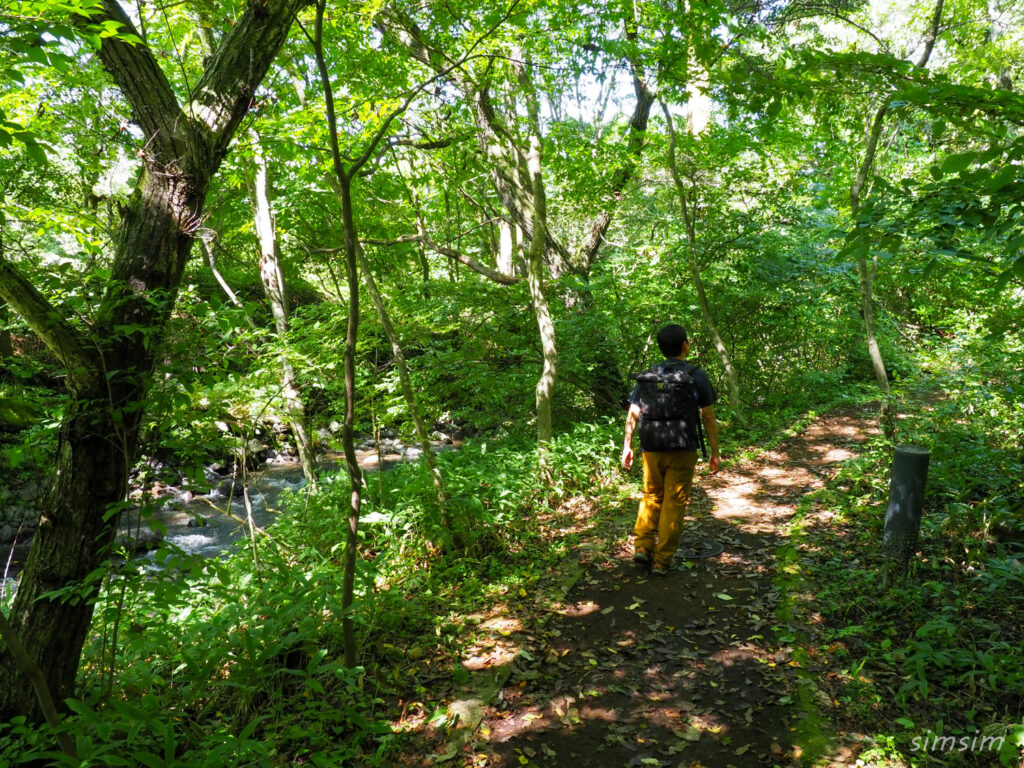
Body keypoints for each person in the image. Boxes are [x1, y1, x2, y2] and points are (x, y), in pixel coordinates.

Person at [621, 324, 721, 576]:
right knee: (674, 502)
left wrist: (627, 445)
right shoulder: (696, 375)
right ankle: (662, 560)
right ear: (685, 345)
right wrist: (714, 451)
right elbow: (707, 416)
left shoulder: (650, 375)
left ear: (661, 348)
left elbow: (633, 412)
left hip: (651, 447)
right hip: (682, 446)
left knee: (650, 495)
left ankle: (642, 548)